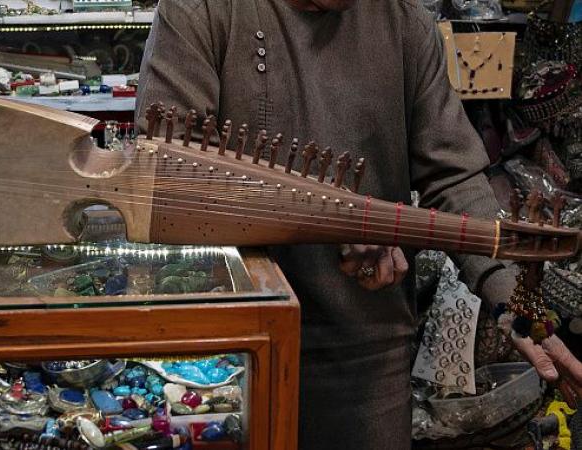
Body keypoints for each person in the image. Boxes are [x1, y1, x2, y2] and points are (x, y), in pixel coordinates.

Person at [135, 0, 582, 448]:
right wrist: (334, 221)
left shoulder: (404, 24)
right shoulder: (201, 11)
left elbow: (453, 175)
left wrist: (510, 297)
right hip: (225, 355)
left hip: (366, 349)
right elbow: (168, 180)